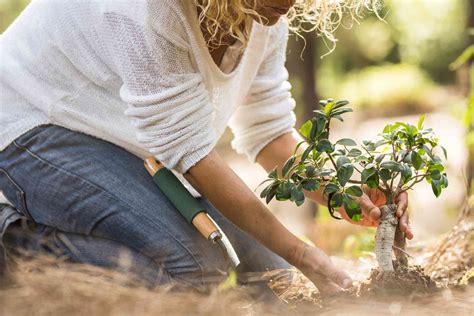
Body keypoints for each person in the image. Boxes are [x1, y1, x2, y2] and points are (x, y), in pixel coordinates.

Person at [0, 0, 412, 295]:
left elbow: (269, 133)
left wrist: (345, 194)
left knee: (270, 284)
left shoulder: (266, 14)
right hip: (33, 123)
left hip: (127, 141)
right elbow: (193, 157)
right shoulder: (145, 10)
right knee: (195, 276)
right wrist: (305, 254)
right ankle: (15, 243)